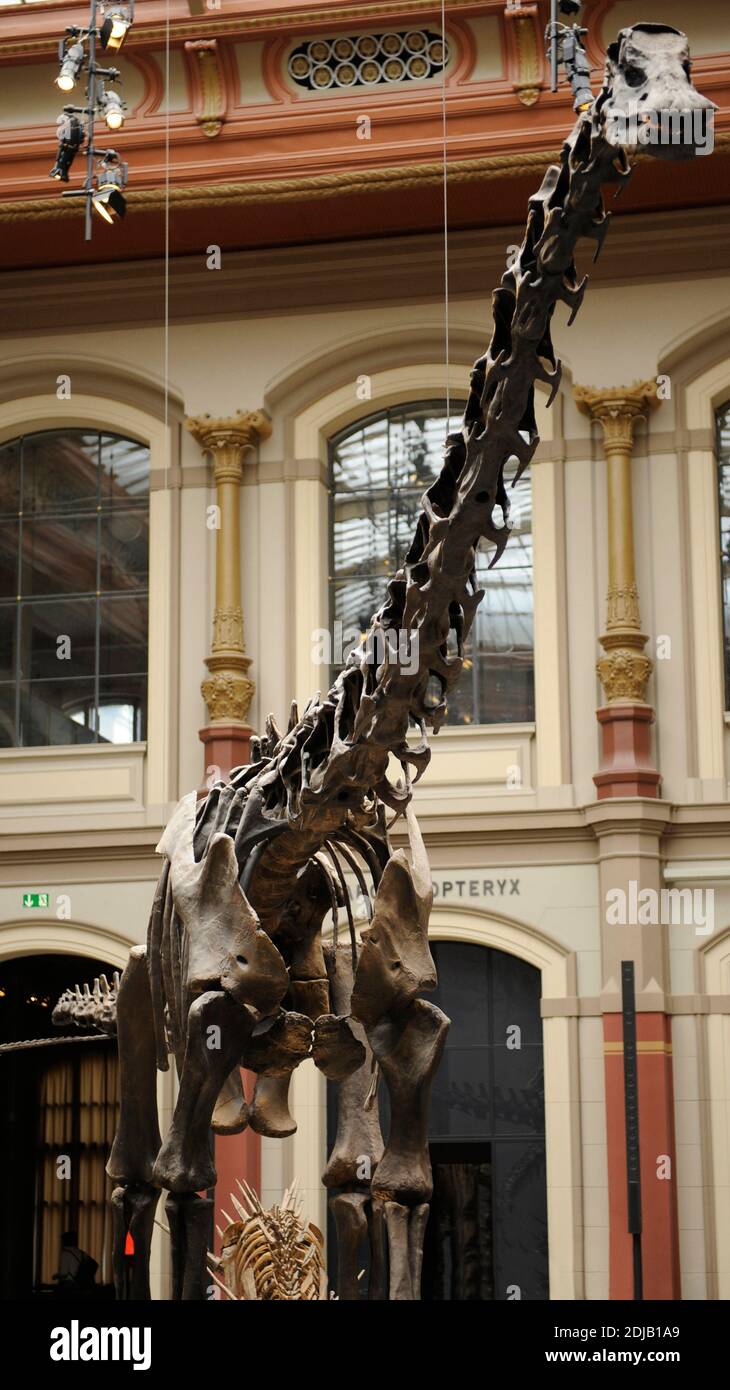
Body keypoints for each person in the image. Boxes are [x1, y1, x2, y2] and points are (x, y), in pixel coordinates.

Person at [53, 1229, 98, 1297]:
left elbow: (64, 1273)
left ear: (65, 1241)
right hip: (82, 1286)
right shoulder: (82, 1253)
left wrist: (55, 1276)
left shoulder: (65, 1253)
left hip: (69, 1286)